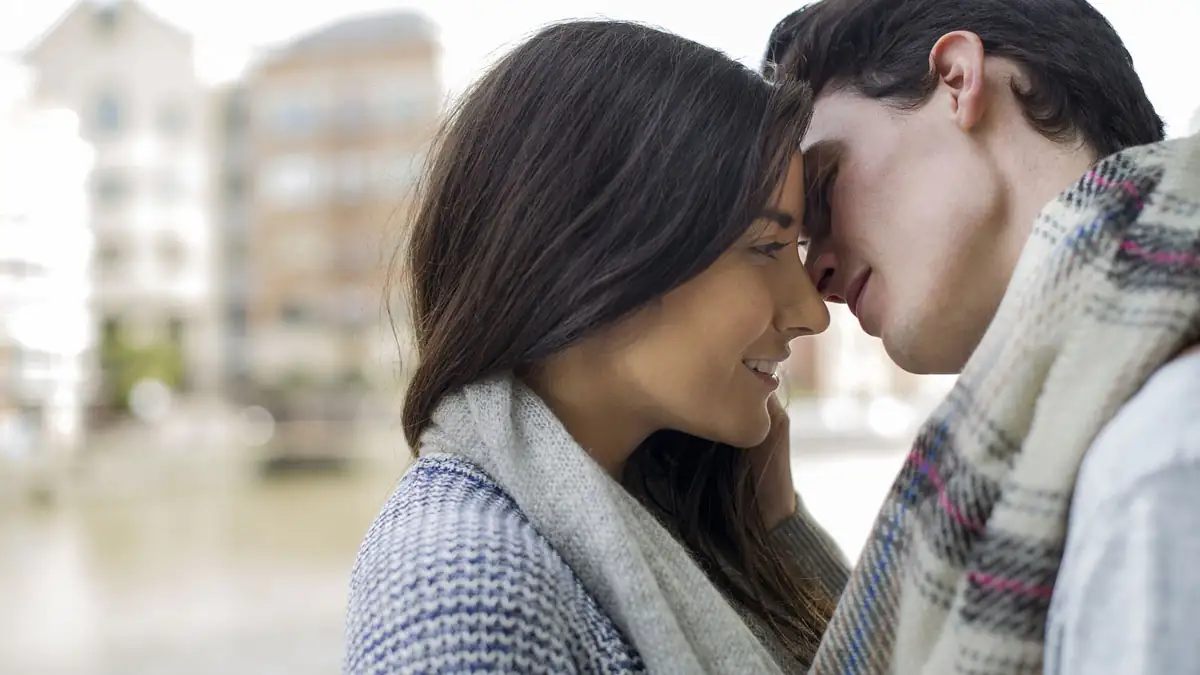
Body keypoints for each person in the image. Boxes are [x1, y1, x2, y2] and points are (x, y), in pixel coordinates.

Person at [344, 20, 850, 674]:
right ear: (599, 255)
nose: (812, 311)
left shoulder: (667, 518)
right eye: (766, 247)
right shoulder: (466, 587)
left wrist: (776, 528)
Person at [763, 1, 1200, 674]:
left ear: (959, 81)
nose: (814, 268)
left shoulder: (1161, 450)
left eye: (827, 186)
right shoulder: (1074, 442)